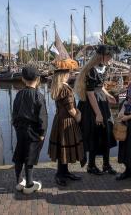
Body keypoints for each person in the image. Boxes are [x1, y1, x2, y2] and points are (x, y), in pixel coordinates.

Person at [74, 45, 119, 175]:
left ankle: (106, 164)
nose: (111, 58)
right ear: (101, 56)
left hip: (101, 101)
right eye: (109, 56)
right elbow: (90, 93)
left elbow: (100, 86)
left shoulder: (103, 67)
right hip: (92, 104)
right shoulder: (91, 70)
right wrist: (98, 113)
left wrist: (108, 95)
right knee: (94, 134)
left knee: (106, 132)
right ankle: (91, 165)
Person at [48, 59, 84, 187]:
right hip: (66, 122)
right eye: (68, 72)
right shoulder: (66, 89)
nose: (70, 74)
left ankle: (65, 172)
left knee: (62, 148)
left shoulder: (58, 87)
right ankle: (60, 174)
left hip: (59, 121)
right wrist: (79, 117)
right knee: (64, 148)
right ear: (64, 74)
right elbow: (71, 110)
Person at [12, 65, 48, 194]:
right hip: (33, 131)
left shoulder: (19, 95)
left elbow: (14, 113)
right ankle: (29, 184)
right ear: (38, 79)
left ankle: (19, 181)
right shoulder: (39, 96)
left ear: (23, 79)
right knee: (29, 157)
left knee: (19, 155)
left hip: (20, 129)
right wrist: (42, 133)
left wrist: (16, 126)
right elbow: (42, 117)